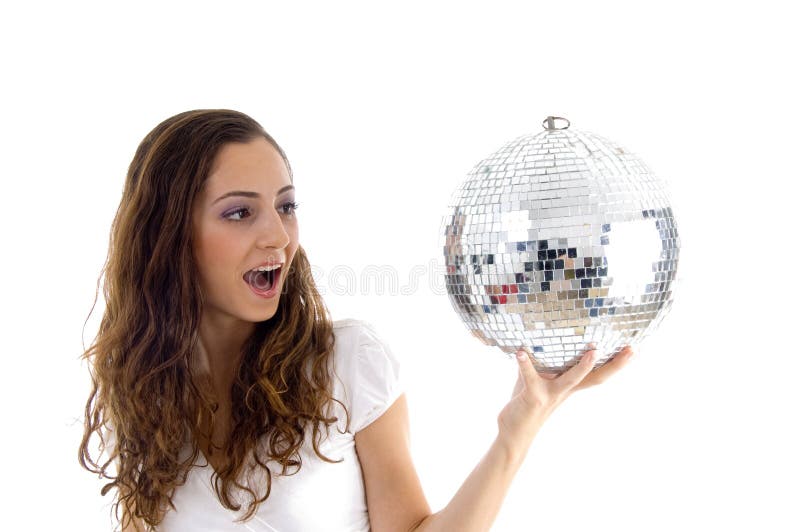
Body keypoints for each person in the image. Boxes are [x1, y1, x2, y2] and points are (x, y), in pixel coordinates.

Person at [79, 109, 634, 532]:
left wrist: (521, 426)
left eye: (286, 205)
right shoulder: (142, 393)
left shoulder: (345, 364)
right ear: (170, 235)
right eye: (240, 212)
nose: (277, 234)